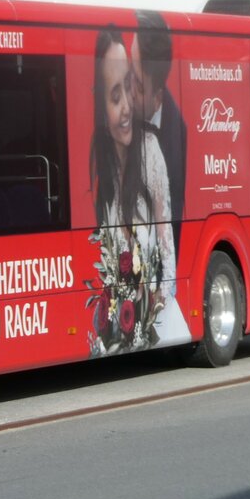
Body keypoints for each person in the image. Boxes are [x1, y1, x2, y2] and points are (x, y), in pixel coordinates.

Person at [89, 28, 187, 348]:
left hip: (159, 323)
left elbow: (167, 253)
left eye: (129, 85)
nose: (127, 106)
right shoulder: (100, 174)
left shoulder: (151, 151)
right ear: (101, 106)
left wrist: (156, 305)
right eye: (115, 96)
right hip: (122, 330)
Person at [131, 10, 187, 259]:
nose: (128, 91)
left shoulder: (174, 137)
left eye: (138, 85)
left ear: (158, 97)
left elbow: (169, 232)